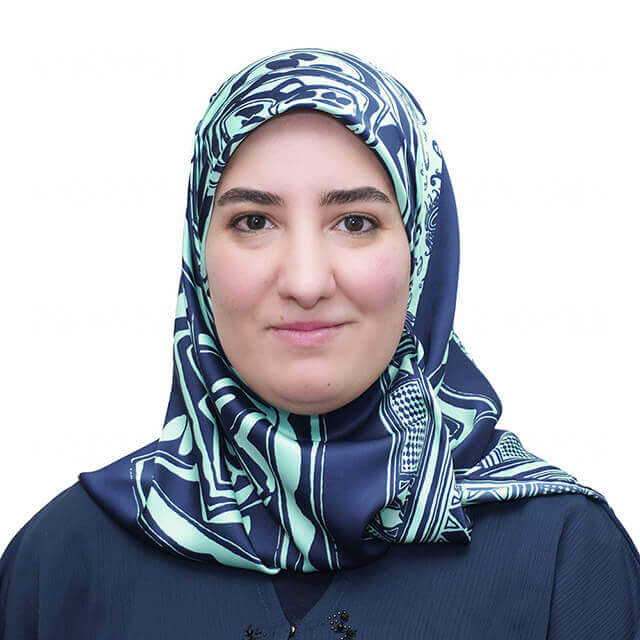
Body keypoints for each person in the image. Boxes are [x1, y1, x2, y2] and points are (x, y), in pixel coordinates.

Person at [1, 46, 639, 639]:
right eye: (254, 221)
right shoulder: (60, 562)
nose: (305, 282)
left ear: (422, 253)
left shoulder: (566, 557)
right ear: (199, 257)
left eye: (355, 222)